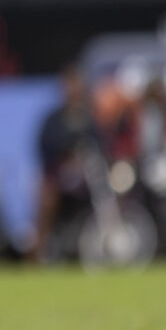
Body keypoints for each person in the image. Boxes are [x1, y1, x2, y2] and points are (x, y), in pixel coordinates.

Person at [27, 64, 104, 263]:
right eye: (69, 84)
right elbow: (45, 148)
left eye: (76, 84)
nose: (73, 89)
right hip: (59, 178)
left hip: (89, 179)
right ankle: (37, 253)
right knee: (47, 198)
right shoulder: (53, 120)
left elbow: (101, 145)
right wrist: (67, 153)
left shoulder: (90, 119)